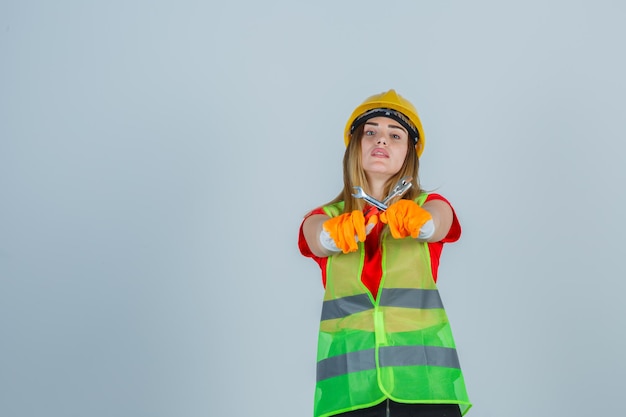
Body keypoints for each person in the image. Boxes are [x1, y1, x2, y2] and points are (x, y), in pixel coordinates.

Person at [298, 90, 472, 417]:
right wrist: (334, 234)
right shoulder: (325, 217)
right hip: (350, 394)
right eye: (371, 132)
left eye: (395, 135)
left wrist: (421, 225)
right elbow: (316, 238)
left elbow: (439, 223)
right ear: (355, 146)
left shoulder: (428, 206)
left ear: (408, 152)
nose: (382, 141)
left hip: (425, 389)